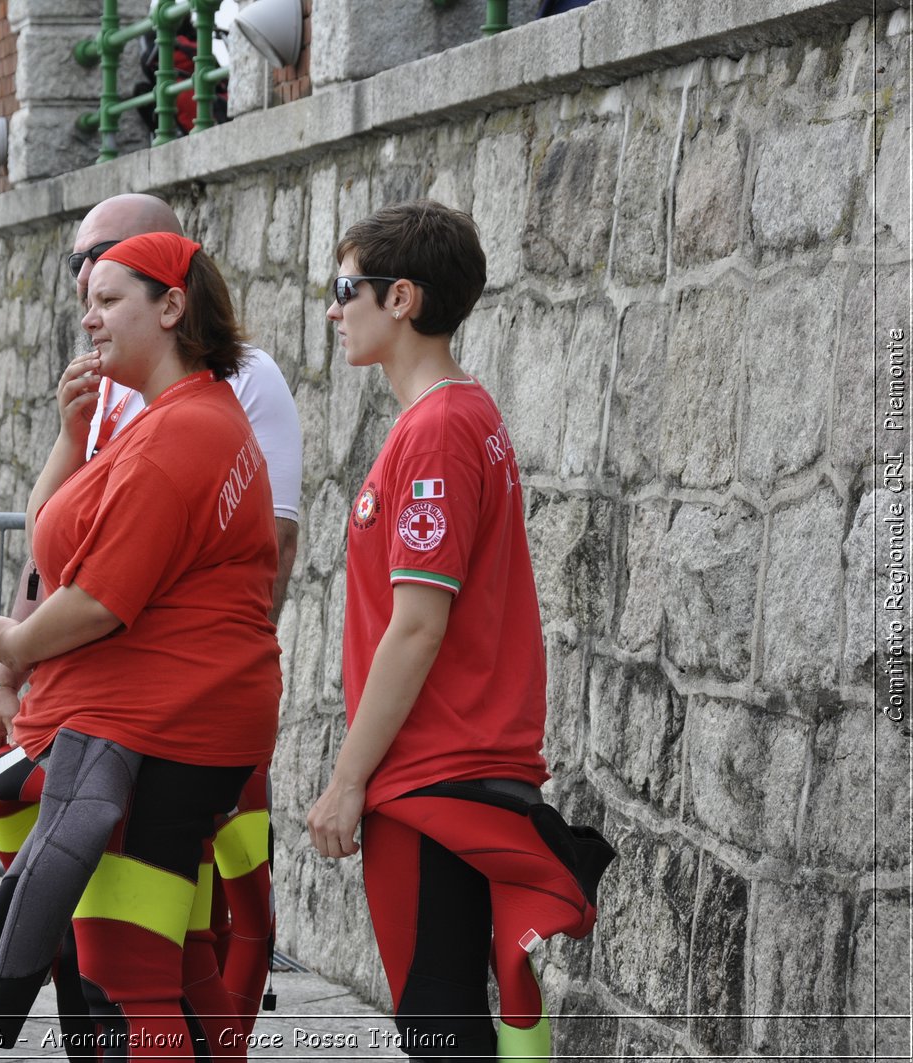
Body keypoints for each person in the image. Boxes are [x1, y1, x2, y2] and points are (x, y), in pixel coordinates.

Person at [0, 193, 301, 1047]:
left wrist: (13, 646)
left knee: (126, 970)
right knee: (170, 959)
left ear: (170, 304)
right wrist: (72, 429)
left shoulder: (177, 433)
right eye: (84, 298)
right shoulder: (173, 416)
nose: (88, 315)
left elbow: (94, 600)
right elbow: (52, 540)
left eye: (108, 297)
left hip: (157, 728)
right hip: (163, 725)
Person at [306, 200, 612, 1061]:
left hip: (432, 774)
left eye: (344, 287)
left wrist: (346, 780)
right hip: (463, 764)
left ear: (400, 297)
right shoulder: (459, 417)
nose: (334, 308)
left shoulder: (438, 428)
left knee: (436, 1014)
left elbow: (416, 627)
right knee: (462, 1009)